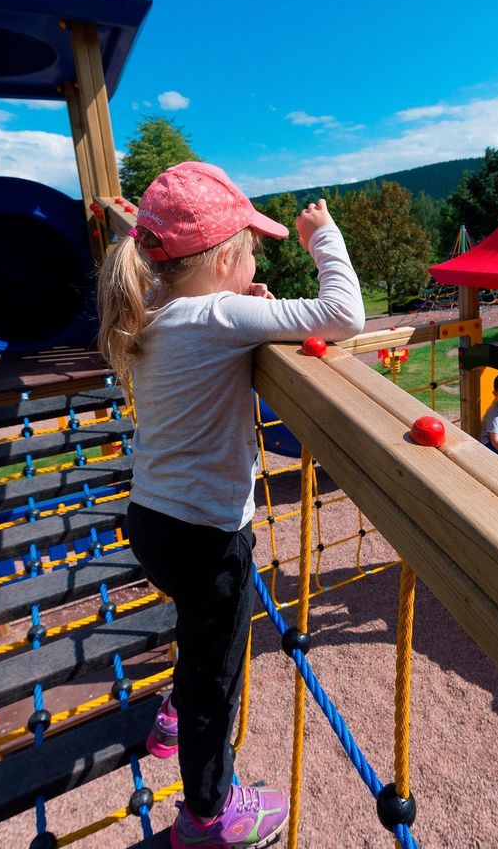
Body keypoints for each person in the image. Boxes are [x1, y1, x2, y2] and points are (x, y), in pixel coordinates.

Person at [97, 162, 364, 847]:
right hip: (208, 536)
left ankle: (171, 719)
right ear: (223, 260)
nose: (253, 263)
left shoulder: (161, 311)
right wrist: (323, 236)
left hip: (151, 522)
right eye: (249, 251)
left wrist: (252, 304)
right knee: (219, 674)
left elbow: (220, 325)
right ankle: (209, 815)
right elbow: (345, 315)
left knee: (197, 633)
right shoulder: (222, 314)